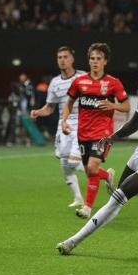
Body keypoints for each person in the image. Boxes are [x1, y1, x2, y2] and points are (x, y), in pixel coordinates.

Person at [56, 41, 138, 255]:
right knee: (121, 186)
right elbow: (137, 121)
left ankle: (73, 241)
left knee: (120, 195)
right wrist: (113, 137)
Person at [61, 43, 130, 219]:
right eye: (92, 58)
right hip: (83, 134)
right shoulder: (79, 82)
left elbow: (126, 105)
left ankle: (87, 208)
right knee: (90, 171)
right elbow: (69, 103)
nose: (95, 62)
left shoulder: (113, 83)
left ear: (105, 61)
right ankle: (107, 176)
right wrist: (64, 121)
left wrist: (113, 105)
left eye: (99, 59)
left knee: (92, 167)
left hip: (103, 134)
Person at [31, 46, 86, 208]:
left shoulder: (83, 77)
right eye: (59, 57)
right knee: (64, 164)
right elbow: (49, 108)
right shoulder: (55, 82)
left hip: (82, 124)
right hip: (64, 125)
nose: (62, 60)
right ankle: (78, 198)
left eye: (65, 57)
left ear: (72, 59)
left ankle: (103, 175)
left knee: (73, 162)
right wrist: (38, 112)